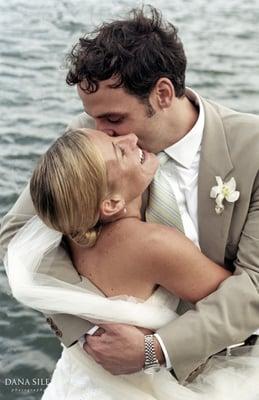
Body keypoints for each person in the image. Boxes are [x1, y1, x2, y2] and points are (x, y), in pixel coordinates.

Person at [1, 5, 259, 383]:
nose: (100, 130)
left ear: (163, 94)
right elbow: (15, 238)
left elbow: (254, 284)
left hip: (233, 362)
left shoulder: (252, 149)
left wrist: (158, 348)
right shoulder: (90, 136)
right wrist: (94, 332)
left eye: (114, 119)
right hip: (109, 367)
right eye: (93, 117)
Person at [5, 127, 259, 400]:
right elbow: (243, 306)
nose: (132, 138)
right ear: (112, 203)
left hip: (77, 382)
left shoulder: (69, 233)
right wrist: (154, 350)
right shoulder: (153, 245)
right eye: (120, 150)